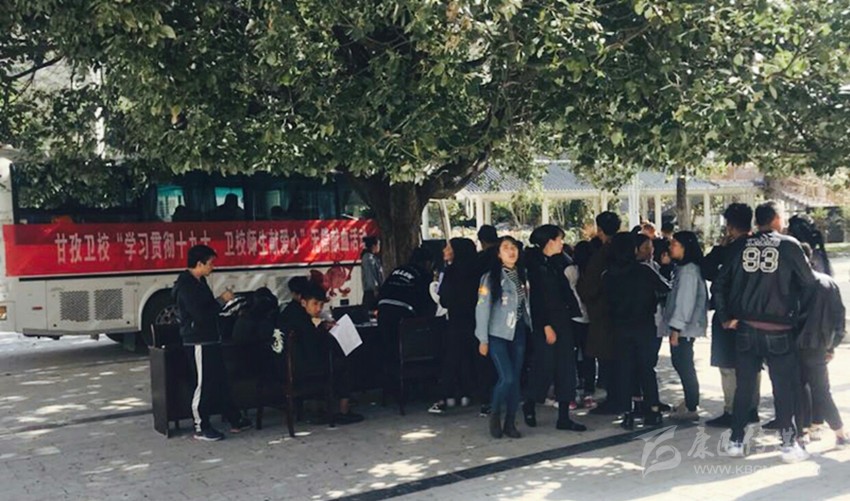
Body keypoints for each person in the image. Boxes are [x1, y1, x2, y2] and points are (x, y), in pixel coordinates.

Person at [715, 200, 817, 463]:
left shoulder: (740, 245)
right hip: (779, 328)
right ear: (775, 219)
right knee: (783, 387)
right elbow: (809, 283)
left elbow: (719, 283)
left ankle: (736, 441)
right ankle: (788, 444)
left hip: (746, 327)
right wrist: (800, 318)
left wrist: (726, 318)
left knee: (744, 387)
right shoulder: (789, 245)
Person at [172, 244, 251, 441]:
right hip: (197, 340)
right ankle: (201, 426)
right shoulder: (187, 286)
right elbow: (201, 313)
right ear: (199, 264)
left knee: (220, 380)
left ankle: (234, 418)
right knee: (203, 384)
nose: (212, 267)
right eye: (210, 263)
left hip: (210, 338)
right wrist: (221, 301)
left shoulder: (200, 282)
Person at [522, 225, 587, 432]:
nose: (562, 243)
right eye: (559, 239)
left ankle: (564, 417)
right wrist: (545, 325)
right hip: (547, 323)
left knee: (566, 368)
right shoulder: (535, 266)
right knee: (544, 366)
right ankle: (530, 402)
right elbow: (537, 300)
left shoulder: (558, 262)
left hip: (564, 320)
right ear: (550, 241)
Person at [702, 203, 760, 428]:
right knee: (752, 363)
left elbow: (708, 271)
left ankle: (732, 410)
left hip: (728, 313)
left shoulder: (729, 250)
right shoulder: (760, 246)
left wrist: (719, 248)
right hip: (754, 313)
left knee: (728, 365)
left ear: (729, 226)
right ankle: (752, 408)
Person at [604, 233, 670, 429]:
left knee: (624, 369)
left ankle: (627, 412)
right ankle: (653, 410)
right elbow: (665, 289)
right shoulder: (644, 271)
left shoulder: (608, 275)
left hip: (619, 327)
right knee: (646, 369)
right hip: (644, 325)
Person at [278, 282, 365, 425]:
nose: (318, 308)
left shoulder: (289, 312)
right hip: (300, 369)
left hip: (283, 367)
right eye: (315, 304)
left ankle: (320, 407)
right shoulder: (302, 320)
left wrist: (321, 327)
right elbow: (313, 346)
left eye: (321, 305)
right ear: (303, 302)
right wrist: (324, 332)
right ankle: (343, 409)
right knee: (344, 360)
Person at [475, 236, 530, 439]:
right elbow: (482, 308)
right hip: (497, 333)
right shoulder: (490, 278)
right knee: (506, 377)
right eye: (506, 248)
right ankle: (495, 413)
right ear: (498, 254)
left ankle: (510, 422)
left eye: (514, 247)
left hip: (518, 331)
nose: (511, 251)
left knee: (515, 379)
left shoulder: (523, 275)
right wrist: (482, 339)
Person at [795, 243, 847, 448]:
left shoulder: (792, 283)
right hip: (819, 345)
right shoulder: (828, 283)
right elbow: (839, 317)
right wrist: (832, 345)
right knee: (822, 391)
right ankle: (839, 433)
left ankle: (802, 433)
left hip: (794, 344)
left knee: (798, 388)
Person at [576, 211, 621, 415]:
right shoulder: (627, 249)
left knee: (607, 357)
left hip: (603, 313)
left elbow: (589, 288)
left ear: (600, 229)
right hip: (626, 313)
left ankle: (613, 398)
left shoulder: (600, 255)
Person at [429, 238, 479, 414]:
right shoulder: (476, 272)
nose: (445, 250)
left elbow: (444, 299)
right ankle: (468, 393)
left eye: (448, 247)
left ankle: (446, 396)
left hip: (456, 320)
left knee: (451, 358)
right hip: (474, 321)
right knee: (469, 357)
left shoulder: (451, 272)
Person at [663, 231, 708, 421]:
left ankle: (691, 405)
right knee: (681, 362)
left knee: (684, 363)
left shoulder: (689, 271)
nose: (670, 247)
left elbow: (685, 302)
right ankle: (689, 402)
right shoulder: (682, 268)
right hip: (685, 327)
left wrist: (676, 328)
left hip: (685, 328)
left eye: (674, 244)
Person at [377, 247, 436, 386]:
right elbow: (426, 302)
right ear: (427, 262)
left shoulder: (398, 270)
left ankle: (391, 385)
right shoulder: (423, 274)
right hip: (404, 315)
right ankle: (414, 383)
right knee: (408, 349)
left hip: (383, 311)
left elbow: (382, 292)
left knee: (389, 349)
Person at [565, 240, 596, 409]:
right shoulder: (594, 271)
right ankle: (588, 393)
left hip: (573, 319)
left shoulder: (570, 271)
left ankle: (572, 393)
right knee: (589, 357)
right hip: (591, 319)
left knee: (572, 356)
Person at [360, 236, 384, 311]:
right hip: (372, 292)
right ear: (374, 246)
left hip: (374, 291)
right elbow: (370, 276)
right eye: (378, 244)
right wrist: (375, 289)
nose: (379, 247)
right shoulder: (368, 258)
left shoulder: (373, 258)